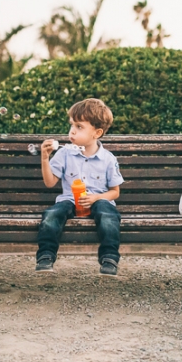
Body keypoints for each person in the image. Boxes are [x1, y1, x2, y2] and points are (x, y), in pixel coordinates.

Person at [35, 98, 124, 276]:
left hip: (98, 201)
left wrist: (96, 198)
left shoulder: (108, 159)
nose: (72, 131)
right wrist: (45, 158)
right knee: (52, 214)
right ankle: (45, 256)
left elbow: (115, 192)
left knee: (108, 215)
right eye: (72, 125)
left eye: (79, 127)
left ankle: (109, 258)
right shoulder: (64, 153)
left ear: (97, 133)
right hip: (69, 200)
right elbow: (50, 182)